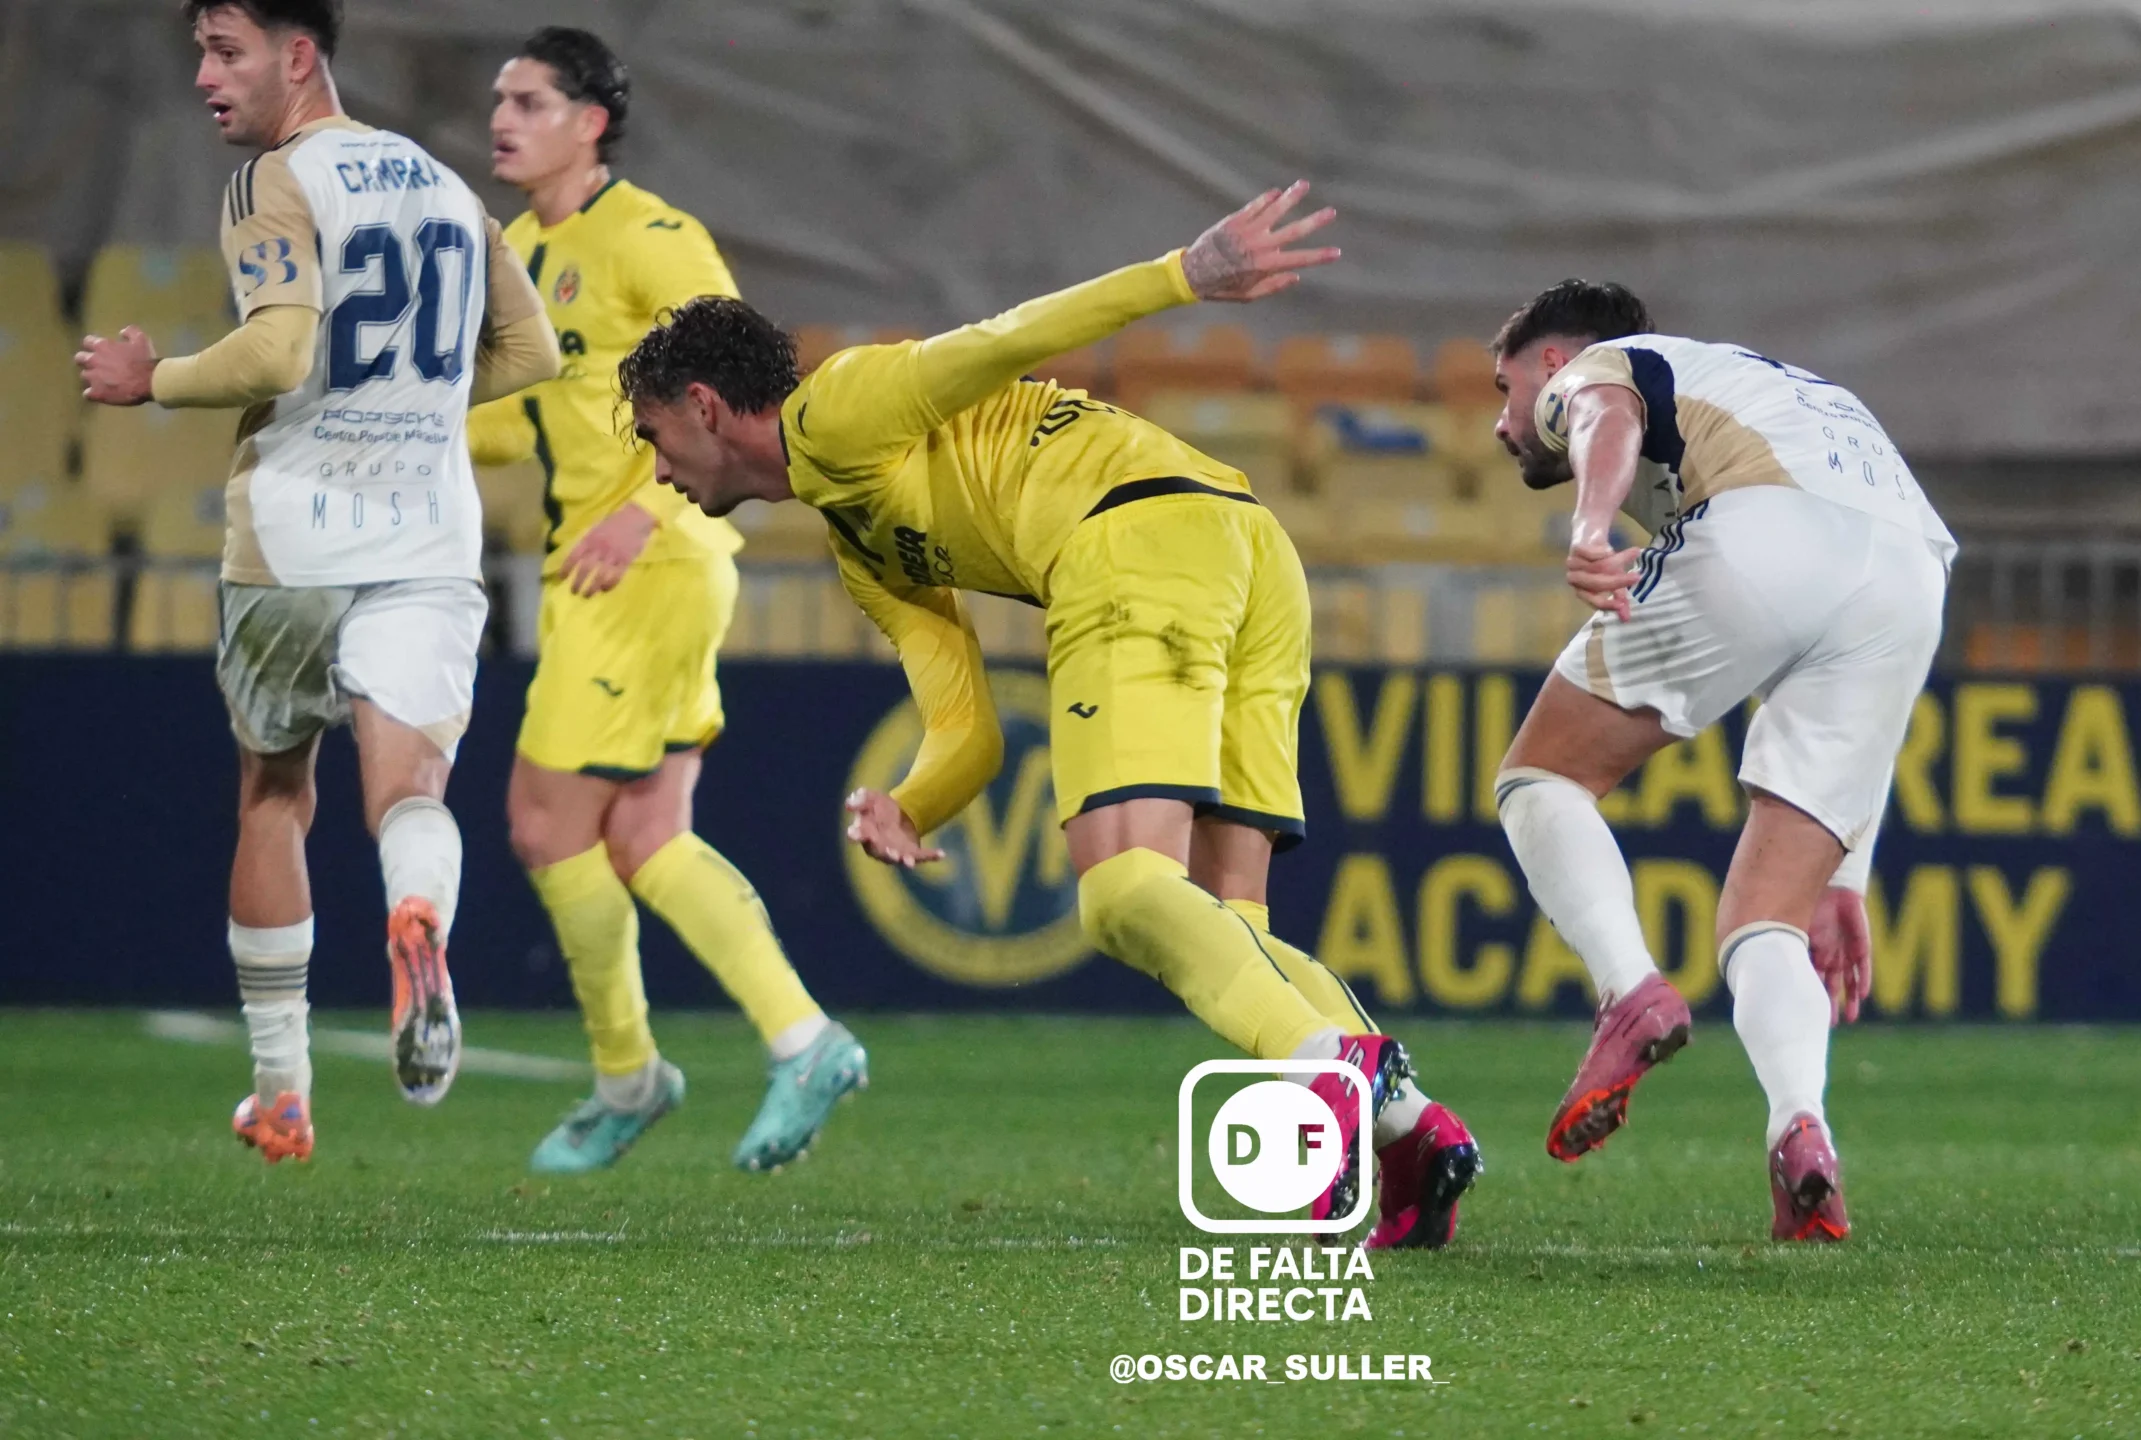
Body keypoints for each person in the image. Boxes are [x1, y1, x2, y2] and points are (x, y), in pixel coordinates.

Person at [614, 185, 1481, 1248]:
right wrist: (913, 803)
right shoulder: (861, 542)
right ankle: (1412, 1140)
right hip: (1245, 548)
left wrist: (1182, 277)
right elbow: (966, 724)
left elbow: (1005, 338)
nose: (656, 469)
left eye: (655, 436)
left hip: (1133, 543)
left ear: (705, 407)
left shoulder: (838, 409)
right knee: (1229, 922)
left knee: (1120, 893)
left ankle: (1335, 1080)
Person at [75, 0, 558, 1161]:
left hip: (296, 535)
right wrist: (413, 409)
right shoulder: (449, 189)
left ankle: (283, 1092)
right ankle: (420, 922)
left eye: (224, 50)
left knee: (275, 795)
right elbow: (535, 352)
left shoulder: (275, 180)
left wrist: (160, 380)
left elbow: (282, 349)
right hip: (430, 538)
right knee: (411, 794)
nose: (204, 75)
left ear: (299, 58)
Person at [465, 27, 863, 1176]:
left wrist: (652, 510)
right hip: (612, 564)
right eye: (501, 99)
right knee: (644, 835)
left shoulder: (649, 235)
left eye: (530, 100)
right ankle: (803, 1038)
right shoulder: (528, 254)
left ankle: (629, 1076)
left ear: (591, 122)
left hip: (644, 559)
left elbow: (743, 386)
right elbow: (534, 414)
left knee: (546, 825)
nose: (504, 118)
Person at [1485, 280, 1956, 1242]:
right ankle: (1801, 1128)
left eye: (1505, 391)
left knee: (1541, 779)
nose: (1504, 424)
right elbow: (1859, 620)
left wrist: (1587, 527)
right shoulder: (1776, 388)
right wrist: (1848, 871)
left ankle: (1628, 995)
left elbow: (1603, 409)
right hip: (1912, 573)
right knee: (1766, 917)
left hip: (1767, 527)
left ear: (1545, 364)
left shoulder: (1589, 370)